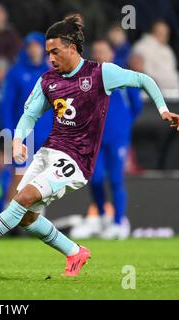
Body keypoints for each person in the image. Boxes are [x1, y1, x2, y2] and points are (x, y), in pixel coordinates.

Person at [0, 15, 179, 276]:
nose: (50, 58)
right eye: (48, 52)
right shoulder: (48, 81)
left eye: (55, 52)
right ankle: (74, 252)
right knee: (26, 217)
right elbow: (30, 115)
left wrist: (163, 110)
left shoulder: (100, 73)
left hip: (76, 160)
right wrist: (17, 141)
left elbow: (143, 80)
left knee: (24, 197)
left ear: (72, 47)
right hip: (48, 152)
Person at [70, 39, 143, 240]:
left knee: (116, 178)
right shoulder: (85, 78)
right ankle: (103, 217)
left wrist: (122, 125)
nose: (100, 55)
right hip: (94, 138)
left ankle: (120, 222)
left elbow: (136, 106)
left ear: (112, 53)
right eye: (96, 51)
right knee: (96, 177)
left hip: (117, 138)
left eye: (104, 51)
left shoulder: (123, 76)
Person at [0, 31, 52, 203]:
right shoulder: (15, 73)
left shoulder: (51, 73)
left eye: (36, 46)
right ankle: (5, 217)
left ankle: (35, 219)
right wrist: (9, 133)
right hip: (24, 135)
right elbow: (6, 106)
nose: (33, 50)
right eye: (30, 46)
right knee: (19, 175)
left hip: (46, 135)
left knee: (42, 180)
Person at [132, 20, 179, 95]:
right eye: (160, 32)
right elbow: (140, 71)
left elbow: (172, 71)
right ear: (153, 31)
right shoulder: (141, 47)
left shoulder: (167, 49)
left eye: (166, 32)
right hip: (152, 93)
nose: (164, 35)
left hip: (173, 91)